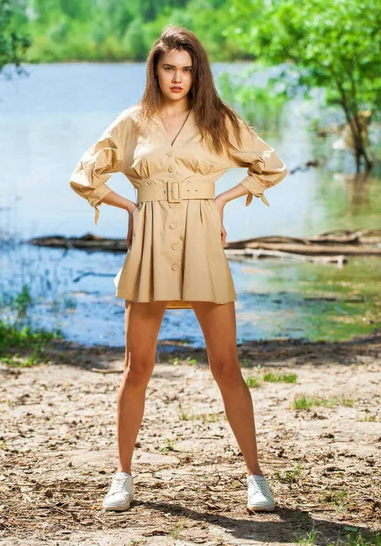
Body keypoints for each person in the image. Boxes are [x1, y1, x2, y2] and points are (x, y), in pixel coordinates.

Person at [69, 26, 288, 513]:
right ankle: (122, 475)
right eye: (169, 67)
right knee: (137, 367)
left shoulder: (217, 119)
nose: (178, 77)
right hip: (149, 240)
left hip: (203, 237)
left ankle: (256, 477)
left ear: (197, 73)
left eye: (187, 69)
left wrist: (226, 200)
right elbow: (84, 174)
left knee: (226, 366)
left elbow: (270, 164)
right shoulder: (132, 122)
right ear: (155, 70)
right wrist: (130, 208)